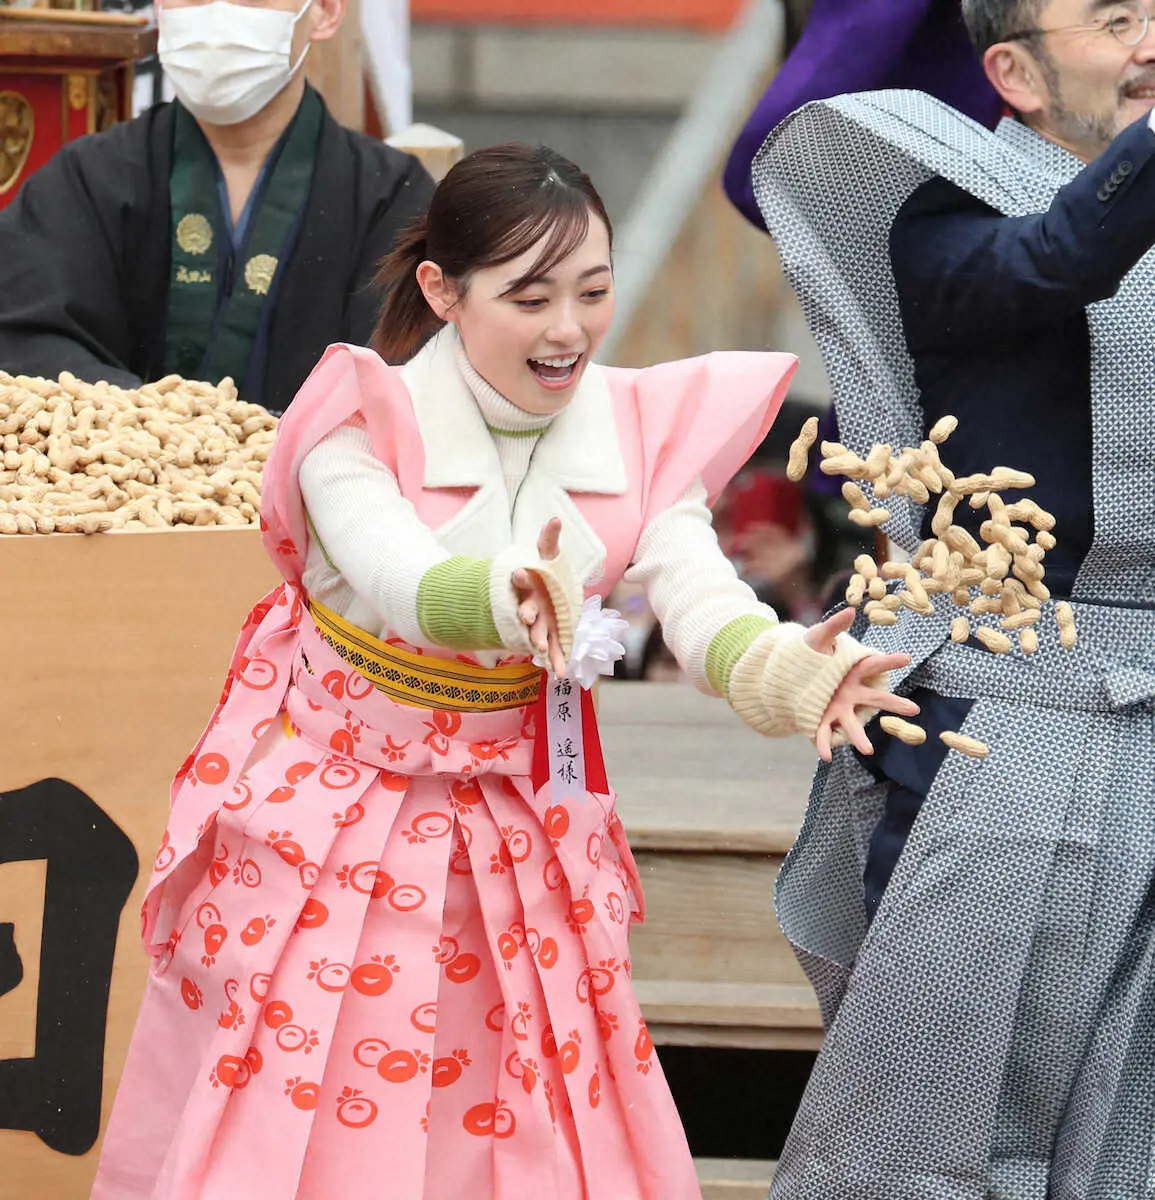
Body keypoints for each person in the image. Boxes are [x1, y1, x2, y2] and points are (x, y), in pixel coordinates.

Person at [90, 142, 916, 1199]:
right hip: (339, 814)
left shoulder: (636, 430)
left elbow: (696, 591)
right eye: (530, 297)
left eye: (593, 291)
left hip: (524, 827)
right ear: (442, 291)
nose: (568, 329)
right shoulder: (354, 422)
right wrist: (499, 596)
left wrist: (782, 673)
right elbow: (396, 571)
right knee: (310, 1101)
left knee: (528, 1109)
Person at [751, 1, 1155, 1196]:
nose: (1151, 38)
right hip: (997, 709)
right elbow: (1058, 259)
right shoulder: (937, 214)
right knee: (937, 1117)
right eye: (1115, 16)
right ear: (1012, 72)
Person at [0, 0, 432, 414]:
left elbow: (407, 376)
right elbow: (27, 340)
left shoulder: (391, 196)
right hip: (113, 478)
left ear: (325, 10)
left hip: (320, 482)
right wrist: (149, 423)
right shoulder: (87, 178)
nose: (219, 16)